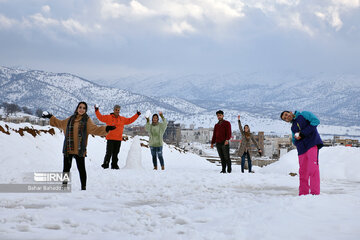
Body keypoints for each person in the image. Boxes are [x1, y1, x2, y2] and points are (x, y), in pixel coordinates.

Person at [42, 102, 116, 190]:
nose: (81, 109)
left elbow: (95, 129)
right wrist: (50, 117)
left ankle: (83, 188)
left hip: (80, 149)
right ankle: (64, 186)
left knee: (81, 169)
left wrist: (106, 128)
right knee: (66, 168)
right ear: (77, 108)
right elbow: (60, 123)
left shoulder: (87, 120)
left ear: (85, 110)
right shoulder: (70, 119)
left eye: (84, 108)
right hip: (68, 148)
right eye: (80, 107)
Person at [280, 110, 323, 196]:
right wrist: (297, 140)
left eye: (286, 115)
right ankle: (303, 193)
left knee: (313, 168)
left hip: (312, 144)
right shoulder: (293, 127)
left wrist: (302, 134)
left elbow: (316, 121)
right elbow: (293, 139)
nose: (286, 117)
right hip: (301, 149)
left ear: (290, 112)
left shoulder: (303, 115)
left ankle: (315, 193)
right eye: (285, 118)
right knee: (303, 171)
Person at [95, 105, 141, 169]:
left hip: (118, 139)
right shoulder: (108, 117)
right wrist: (97, 110)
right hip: (110, 138)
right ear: (113, 110)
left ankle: (114, 165)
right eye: (116, 110)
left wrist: (137, 114)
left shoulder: (122, 119)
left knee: (116, 153)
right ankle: (105, 164)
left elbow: (130, 120)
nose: (117, 111)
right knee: (109, 153)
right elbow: (100, 117)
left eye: (118, 110)